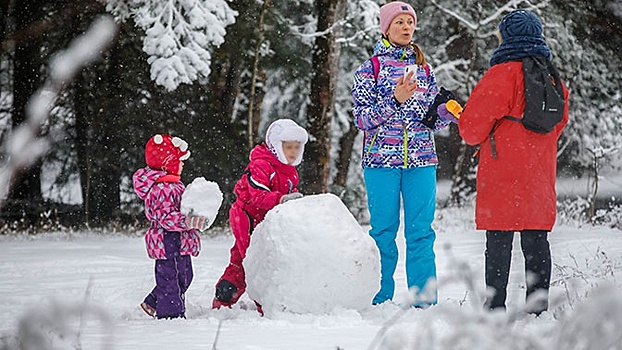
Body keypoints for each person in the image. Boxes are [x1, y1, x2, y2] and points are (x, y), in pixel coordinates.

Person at [458, 9, 569, 314]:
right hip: (538, 171)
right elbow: (559, 120)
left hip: (502, 168)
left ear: (508, 36)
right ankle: (539, 308)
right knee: (536, 241)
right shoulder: (551, 76)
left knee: (499, 241)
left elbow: (470, 129)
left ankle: (496, 307)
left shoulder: (501, 74)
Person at [351, 1, 456, 307]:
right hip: (381, 161)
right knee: (383, 232)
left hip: (421, 161)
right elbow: (362, 120)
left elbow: (429, 121)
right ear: (386, 28)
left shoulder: (425, 68)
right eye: (399, 22)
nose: (406, 27)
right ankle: (378, 297)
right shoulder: (369, 69)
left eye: (409, 22)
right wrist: (395, 99)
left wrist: (444, 114)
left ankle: (424, 299)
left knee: (421, 232)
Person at [212, 119, 309, 311]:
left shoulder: (291, 172)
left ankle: (225, 296)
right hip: (247, 216)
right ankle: (263, 301)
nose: (293, 152)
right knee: (255, 257)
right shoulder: (261, 165)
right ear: (275, 146)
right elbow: (257, 196)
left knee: (241, 260)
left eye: (297, 147)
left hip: (266, 218)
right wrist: (282, 200)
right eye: (288, 147)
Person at [133, 134, 210, 319]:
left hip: (179, 238)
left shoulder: (173, 185)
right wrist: (187, 221)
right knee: (170, 278)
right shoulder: (162, 188)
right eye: (179, 160)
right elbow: (165, 218)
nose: (182, 164)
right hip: (166, 239)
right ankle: (171, 316)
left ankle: (152, 302)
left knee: (185, 275)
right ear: (168, 163)